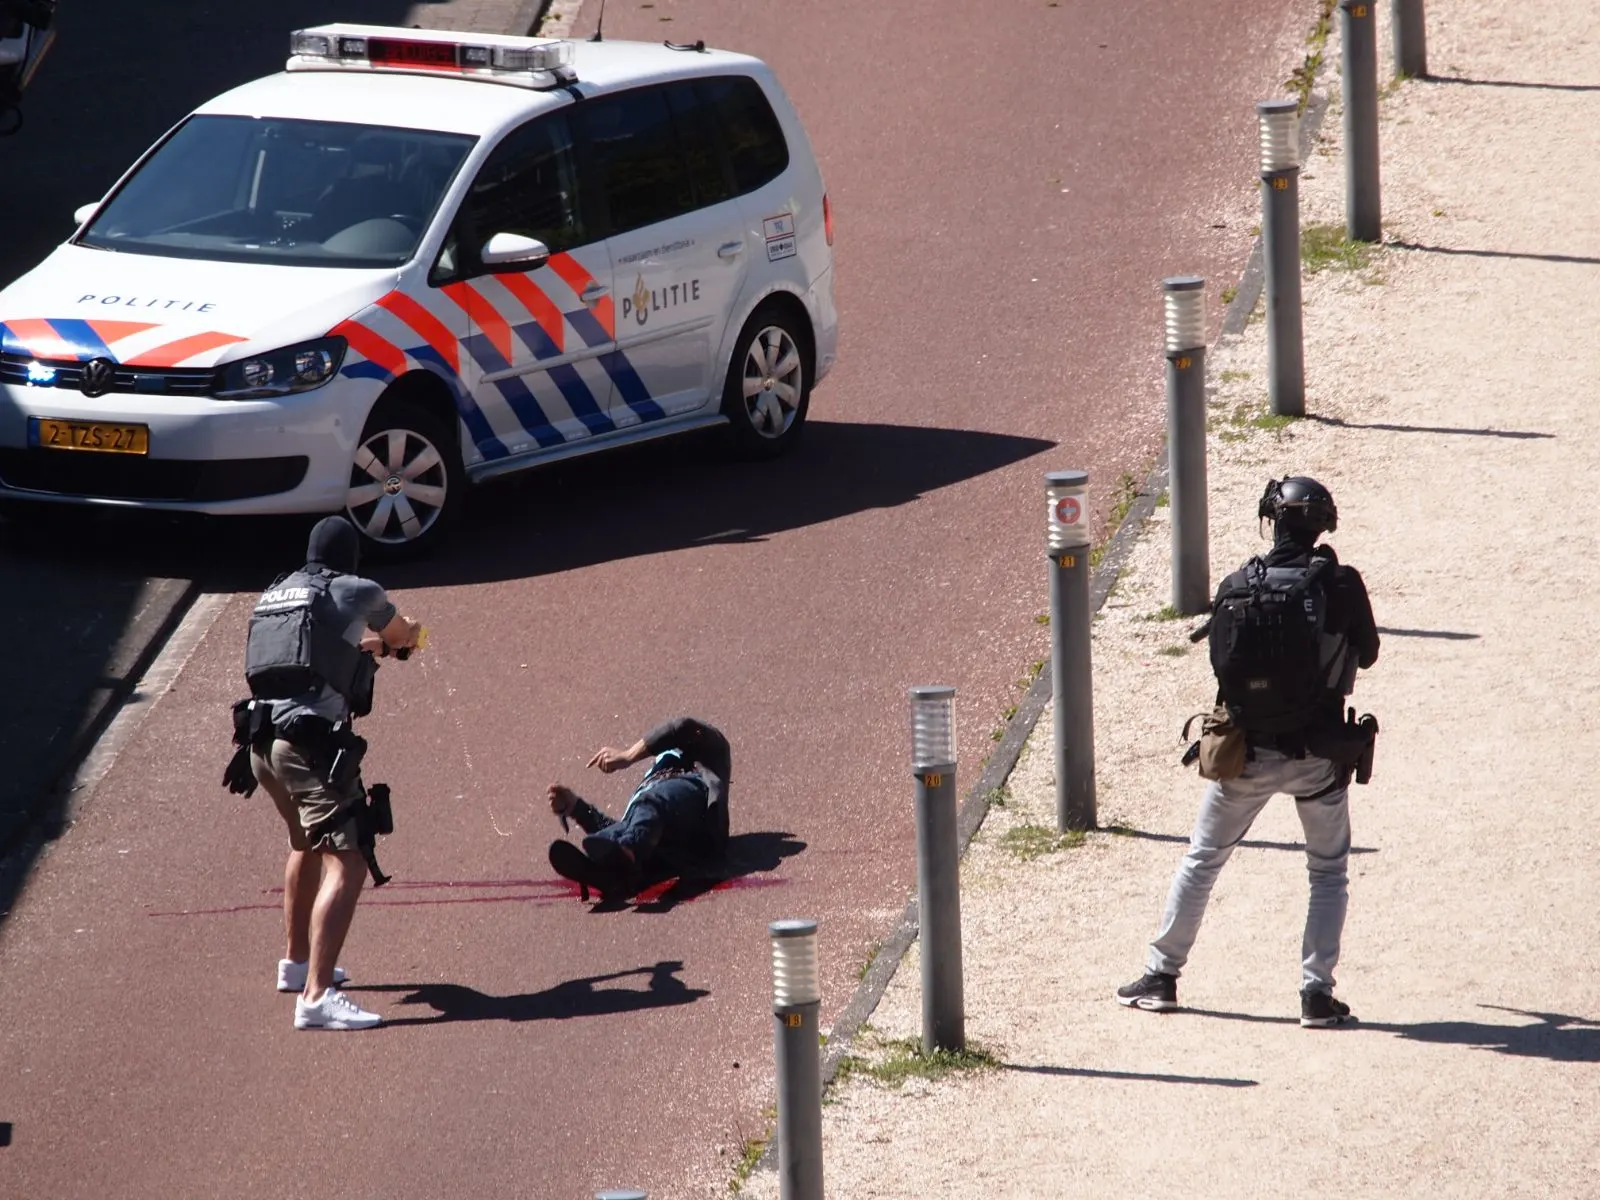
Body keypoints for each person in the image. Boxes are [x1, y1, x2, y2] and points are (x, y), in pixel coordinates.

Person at [1117, 476, 1380, 1027]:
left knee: (1202, 860)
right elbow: (1370, 653)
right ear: (1323, 525)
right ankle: (1316, 994)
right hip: (1318, 755)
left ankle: (1161, 976)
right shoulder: (1341, 583)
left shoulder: (1238, 583)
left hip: (1244, 756)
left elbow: (1221, 666)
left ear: (1272, 521)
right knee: (1327, 871)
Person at [240, 515, 423, 1030]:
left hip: (261, 744)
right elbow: (401, 635)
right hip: (310, 749)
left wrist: (367, 651)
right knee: (348, 861)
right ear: (352, 557)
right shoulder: (360, 589)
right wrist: (410, 637)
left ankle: (296, 966)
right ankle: (317, 997)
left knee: (304, 845)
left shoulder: (279, 593)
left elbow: (310, 657)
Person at [546, 716, 732, 902]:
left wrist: (628, 756)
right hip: (667, 851)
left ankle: (622, 863)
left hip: (694, 811)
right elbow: (627, 830)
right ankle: (608, 875)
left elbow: (680, 727)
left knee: (647, 807)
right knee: (621, 831)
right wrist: (576, 807)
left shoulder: (704, 753)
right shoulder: (648, 790)